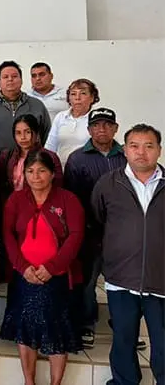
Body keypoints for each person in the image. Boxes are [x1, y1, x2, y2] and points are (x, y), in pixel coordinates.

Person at [0, 150, 84, 385]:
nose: (35, 176)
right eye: (30, 171)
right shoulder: (16, 199)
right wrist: (22, 267)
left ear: (52, 173)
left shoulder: (68, 199)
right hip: (24, 276)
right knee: (25, 331)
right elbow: (7, 234)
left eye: (41, 171)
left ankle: (56, 383)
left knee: (56, 330)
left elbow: (76, 236)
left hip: (56, 277)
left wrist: (52, 267)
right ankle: (29, 381)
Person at [91, 124, 165, 385]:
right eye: (134, 146)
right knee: (123, 342)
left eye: (148, 146)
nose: (141, 152)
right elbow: (97, 222)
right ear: (124, 150)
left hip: (161, 282)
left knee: (163, 345)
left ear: (159, 150)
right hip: (121, 280)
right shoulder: (108, 184)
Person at [63, 108, 128, 349]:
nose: (102, 129)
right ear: (89, 129)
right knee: (88, 281)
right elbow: (72, 198)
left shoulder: (127, 157)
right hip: (90, 232)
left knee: (122, 282)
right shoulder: (77, 159)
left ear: (115, 128)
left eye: (107, 125)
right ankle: (87, 324)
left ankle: (124, 326)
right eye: (97, 125)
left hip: (122, 234)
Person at [0, 61, 51, 155]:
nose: (10, 79)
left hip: (31, 161)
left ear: (21, 80)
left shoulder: (37, 105)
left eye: (14, 76)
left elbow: (47, 137)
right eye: (5, 77)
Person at [0, 114, 63, 202]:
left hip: (42, 203)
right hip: (13, 204)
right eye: (18, 133)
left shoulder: (50, 157)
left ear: (37, 133)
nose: (23, 137)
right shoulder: (6, 156)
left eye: (27, 132)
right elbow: (2, 186)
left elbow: (58, 187)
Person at [45, 78, 100, 165]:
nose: (77, 98)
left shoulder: (97, 118)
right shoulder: (60, 117)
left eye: (83, 93)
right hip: (62, 167)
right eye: (73, 94)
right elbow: (50, 147)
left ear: (92, 98)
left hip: (89, 168)